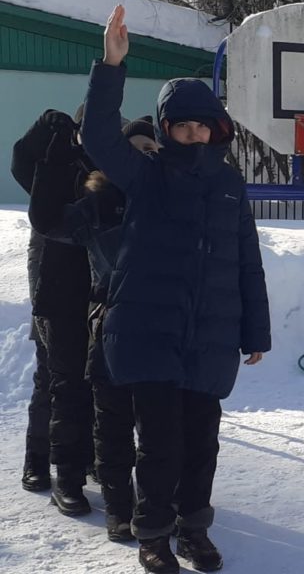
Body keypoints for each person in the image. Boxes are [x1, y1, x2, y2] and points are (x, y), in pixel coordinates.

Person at [82, 4, 271, 573]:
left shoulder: (231, 186)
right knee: (159, 446)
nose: (193, 134)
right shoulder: (148, 174)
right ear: (166, 131)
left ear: (217, 129)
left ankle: (194, 530)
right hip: (150, 334)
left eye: (201, 125)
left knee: (201, 448)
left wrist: (254, 331)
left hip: (207, 338)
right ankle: (153, 535)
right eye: (181, 126)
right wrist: (111, 66)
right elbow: (99, 138)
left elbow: (247, 263)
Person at [30, 117, 159, 542]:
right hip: (67, 297)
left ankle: (111, 479)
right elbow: (46, 219)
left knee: (116, 405)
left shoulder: (151, 187)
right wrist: (53, 154)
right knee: (68, 388)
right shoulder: (84, 177)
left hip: (113, 308)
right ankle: (64, 477)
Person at [11, 109, 94, 515]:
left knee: (93, 372)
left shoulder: (111, 162)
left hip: (95, 280)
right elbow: (20, 162)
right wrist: (43, 126)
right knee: (53, 373)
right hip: (50, 277)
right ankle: (37, 460)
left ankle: (87, 456)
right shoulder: (57, 156)